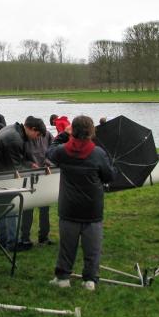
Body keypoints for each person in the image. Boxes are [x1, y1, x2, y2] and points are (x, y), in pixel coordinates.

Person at [46, 115, 118, 291]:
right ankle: (90, 280)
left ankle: (63, 277)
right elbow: (109, 176)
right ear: (91, 131)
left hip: (69, 207)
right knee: (92, 247)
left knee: (67, 246)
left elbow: (50, 151)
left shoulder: (63, 151)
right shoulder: (98, 153)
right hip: (92, 208)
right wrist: (112, 167)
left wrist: (64, 133)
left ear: (74, 131)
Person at [0, 116, 46, 251]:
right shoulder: (14, 139)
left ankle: (3, 242)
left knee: (1, 207)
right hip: (1, 174)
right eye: (38, 134)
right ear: (32, 129)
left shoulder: (15, 129)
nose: (37, 138)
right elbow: (16, 168)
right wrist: (30, 168)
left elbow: (20, 159)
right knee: (12, 207)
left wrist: (30, 164)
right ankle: (12, 243)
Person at [18, 129, 55, 250]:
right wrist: (30, 164)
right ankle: (25, 238)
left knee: (45, 208)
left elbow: (53, 150)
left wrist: (48, 162)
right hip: (29, 176)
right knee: (28, 208)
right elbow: (20, 158)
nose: (39, 136)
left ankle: (44, 237)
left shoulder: (48, 135)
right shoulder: (25, 138)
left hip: (45, 176)